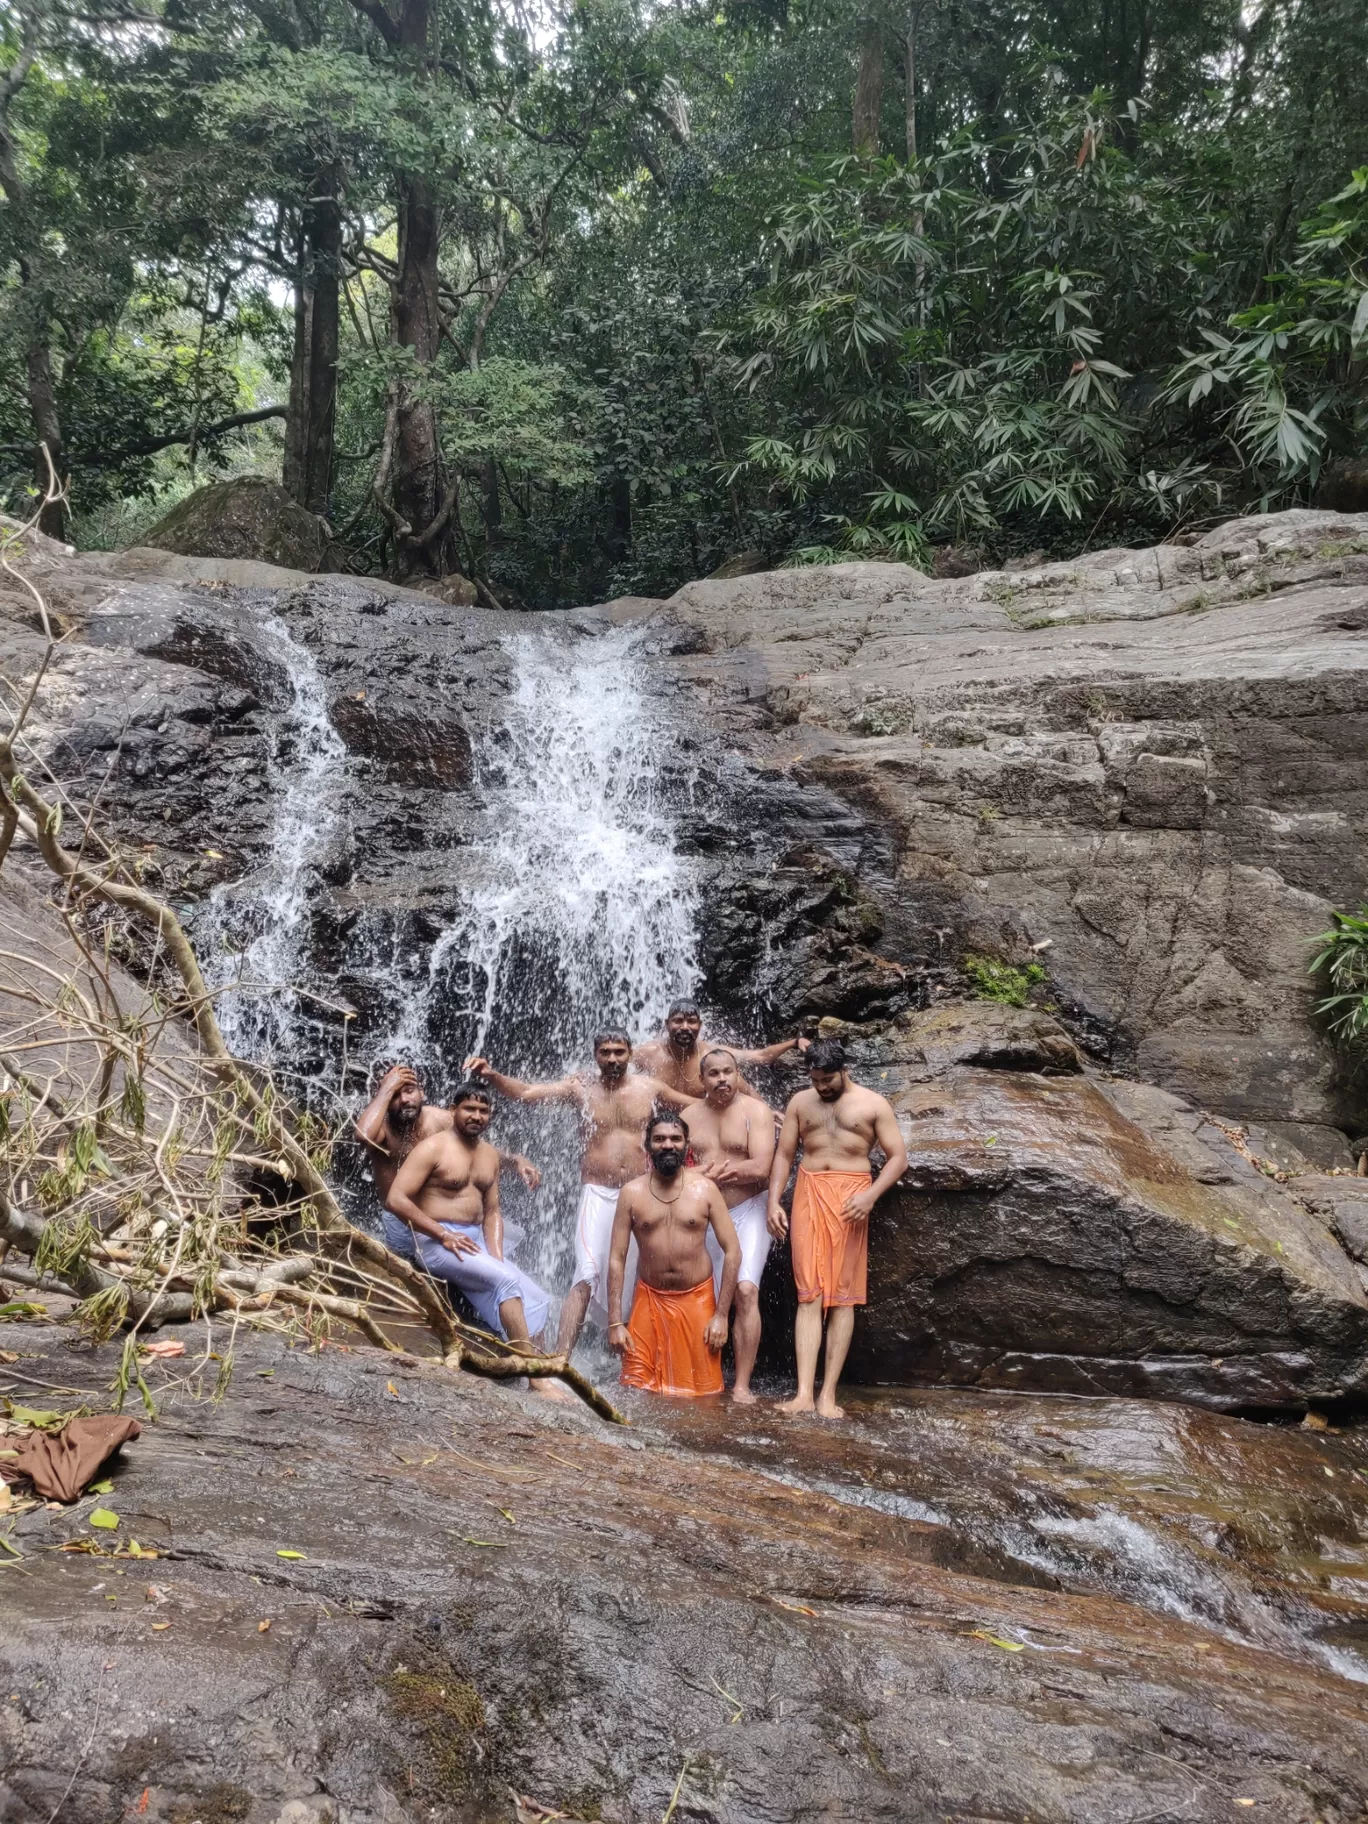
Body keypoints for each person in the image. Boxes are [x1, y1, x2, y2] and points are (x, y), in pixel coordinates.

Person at [464, 1035, 689, 1356]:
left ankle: (640, 1358)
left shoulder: (650, 1088)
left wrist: (747, 1103)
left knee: (645, 1276)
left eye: (619, 1052)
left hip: (643, 1192)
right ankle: (561, 1359)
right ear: (595, 1055)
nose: (612, 1059)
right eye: (605, 1052)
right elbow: (528, 1093)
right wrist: (492, 1075)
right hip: (598, 1192)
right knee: (585, 1273)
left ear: (630, 1054)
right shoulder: (579, 1087)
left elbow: (697, 1105)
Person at [383, 1080, 562, 1397]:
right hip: (436, 1241)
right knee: (506, 1282)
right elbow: (396, 1199)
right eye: (469, 1109)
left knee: (539, 1299)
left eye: (483, 1111)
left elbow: (492, 1211)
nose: (476, 1116)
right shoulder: (432, 1148)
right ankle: (534, 1380)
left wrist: (496, 1256)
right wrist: (442, 1234)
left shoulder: (489, 1154)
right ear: (453, 1110)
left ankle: (542, 1368)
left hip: (475, 1240)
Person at [767, 1037, 908, 1420]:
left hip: (852, 1197)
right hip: (810, 1190)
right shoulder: (800, 1102)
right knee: (808, 1292)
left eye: (828, 1079)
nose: (822, 1086)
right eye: (815, 1080)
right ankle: (802, 1394)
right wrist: (773, 1201)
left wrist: (871, 1197)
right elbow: (784, 1154)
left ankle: (828, 1394)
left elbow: (898, 1158)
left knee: (843, 1296)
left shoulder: (873, 1104)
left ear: (844, 1070)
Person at [606, 1110, 741, 1398]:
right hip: (648, 1301)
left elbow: (733, 1251)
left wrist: (721, 1316)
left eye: (675, 1139)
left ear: (686, 1145)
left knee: (704, 1396)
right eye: (660, 1139)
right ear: (648, 1145)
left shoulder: (705, 1189)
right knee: (635, 1390)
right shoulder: (631, 1193)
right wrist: (616, 1322)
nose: (668, 1145)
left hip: (698, 1301)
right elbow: (617, 1258)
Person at [684, 1049, 776, 1403]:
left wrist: (717, 1172)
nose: (721, 1079)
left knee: (746, 1290)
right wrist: (704, 1175)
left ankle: (741, 1384)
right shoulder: (688, 1116)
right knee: (701, 1293)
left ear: (738, 1074)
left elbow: (761, 1167)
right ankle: (701, 1374)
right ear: (701, 1079)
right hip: (706, 1213)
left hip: (748, 1208)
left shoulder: (757, 1111)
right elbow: (671, 1168)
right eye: (714, 1074)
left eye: (728, 1072)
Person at [354, 1062, 542, 1207]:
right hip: (400, 1220)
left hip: (437, 1217)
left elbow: (479, 1151)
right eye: (395, 1094)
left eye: (409, 1091)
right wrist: (385, 1090)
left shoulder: (440, 1120)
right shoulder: (381, 1129)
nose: (404, 1100)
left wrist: (515, 1161)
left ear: (422, 1092)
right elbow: (363, 1137)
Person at [633, 999, 808, 1099]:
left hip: (701, 1129)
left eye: (691, 1021)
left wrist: (794, 1042)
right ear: (667, 1024)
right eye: (678, 1021)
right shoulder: (648, 1053)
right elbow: (612, 1060)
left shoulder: (711, 1055)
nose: (684, 1027)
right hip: (663, 1137)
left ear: (700, 1025)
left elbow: (761, 1056)